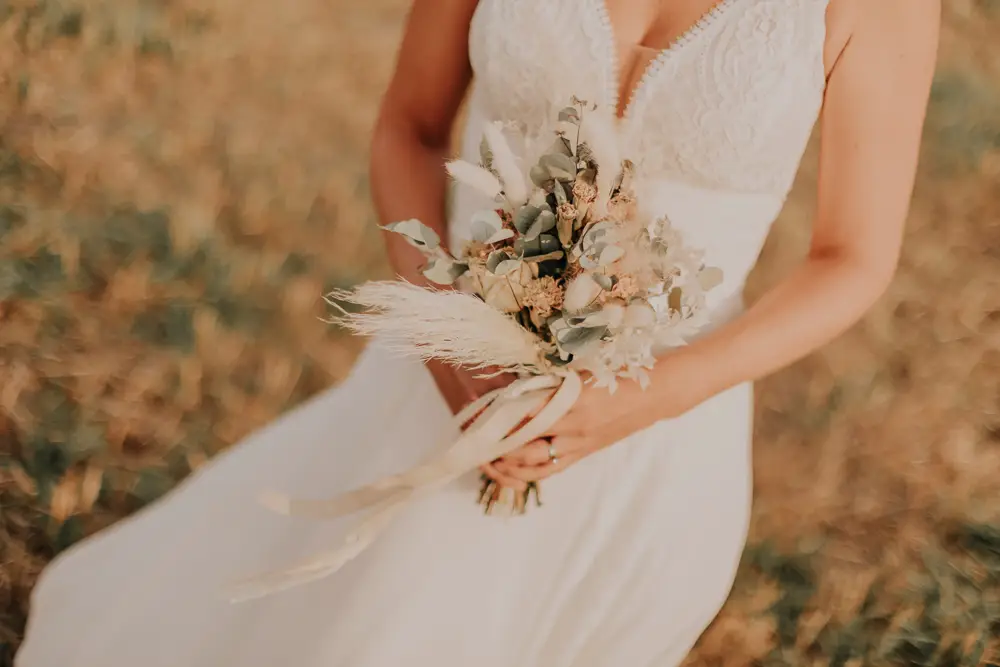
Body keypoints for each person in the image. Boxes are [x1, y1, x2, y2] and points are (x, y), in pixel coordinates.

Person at [16, 1, 939, 665]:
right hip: (438, 391)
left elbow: (853, 257)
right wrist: (451, 351)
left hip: (654, 447)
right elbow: (408, 130)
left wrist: (645, 399)